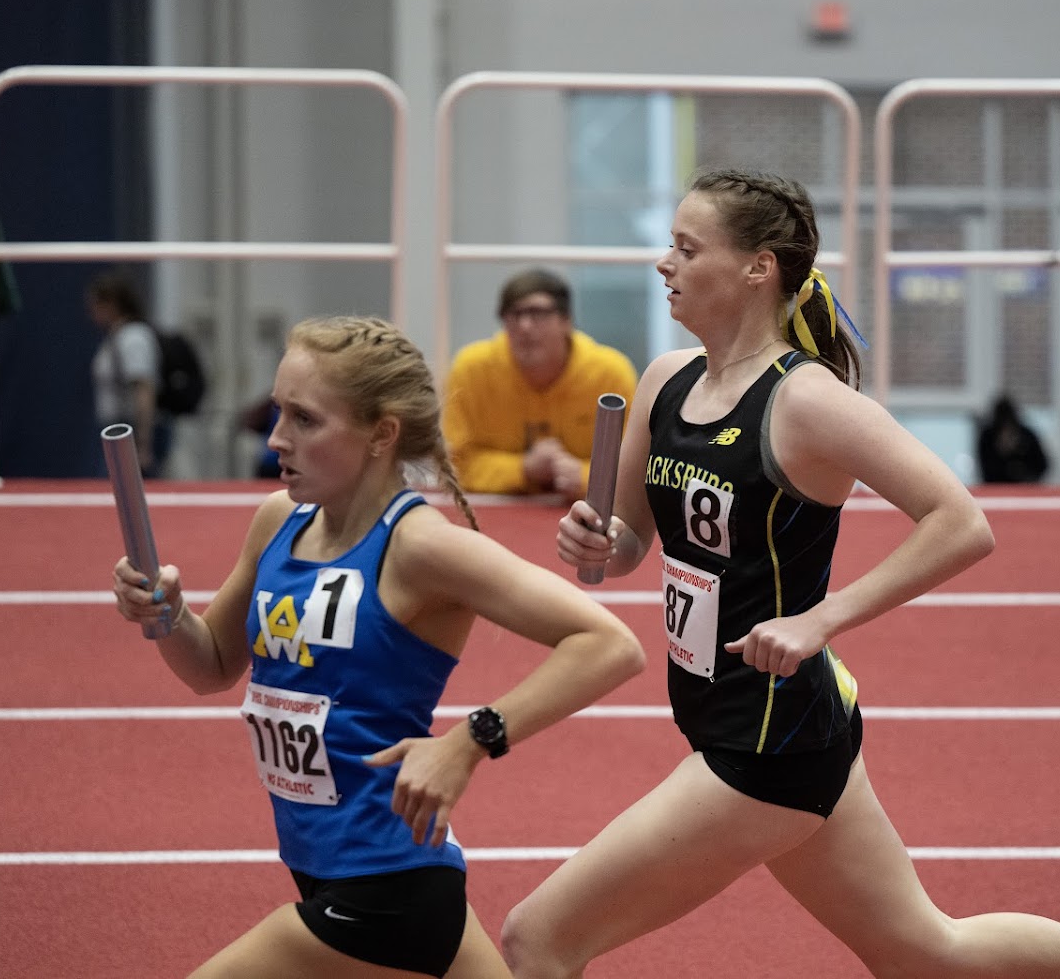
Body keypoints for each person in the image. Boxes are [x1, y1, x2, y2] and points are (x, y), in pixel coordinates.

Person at [501, 169, 1060, 979]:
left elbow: (961, 522)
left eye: (687, 247)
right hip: (762, 719)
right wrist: (598, 542)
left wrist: (821, 620)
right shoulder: (664, 382)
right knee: (927, 956)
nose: (663, 263)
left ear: (758, 268)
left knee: (538, 939)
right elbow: (632, 541)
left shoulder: (806, 402)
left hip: (767, 744)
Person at [109, 315, 645, 979]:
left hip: (388, 891)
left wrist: (468, 741)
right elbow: (211, 665)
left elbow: (609, 644)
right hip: (326, 867)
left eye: (305, 420)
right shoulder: (279, 521)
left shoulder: (421, 546)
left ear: (381, 434)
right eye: (279, 412)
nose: (277, 438)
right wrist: (166, 615)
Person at [441, 268, 637, 501]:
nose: (524, 326)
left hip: (586, 511)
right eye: (514, 314)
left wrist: (585, 477)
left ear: (566, 320)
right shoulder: (471, 370)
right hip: (496, 511)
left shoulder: (610, 374)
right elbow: (454, 465)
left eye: (538, 313)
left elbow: (634, 466)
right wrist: (523, 469)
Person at [87, 271, 168, 478]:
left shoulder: (133, 337)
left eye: (96, 306)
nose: (91, 313)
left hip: (128, 431)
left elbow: (144, 390)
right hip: (115, 427)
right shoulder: (115, 337)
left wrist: (143, 443)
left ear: (112, 304)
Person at [976, 392, 1050, 483]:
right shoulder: (987, 437)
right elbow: (985, 469)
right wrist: (1002, 452)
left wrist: (1018, 454)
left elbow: (1042, 465)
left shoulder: (1027, 436)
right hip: (996, 487)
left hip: (1024, 487)